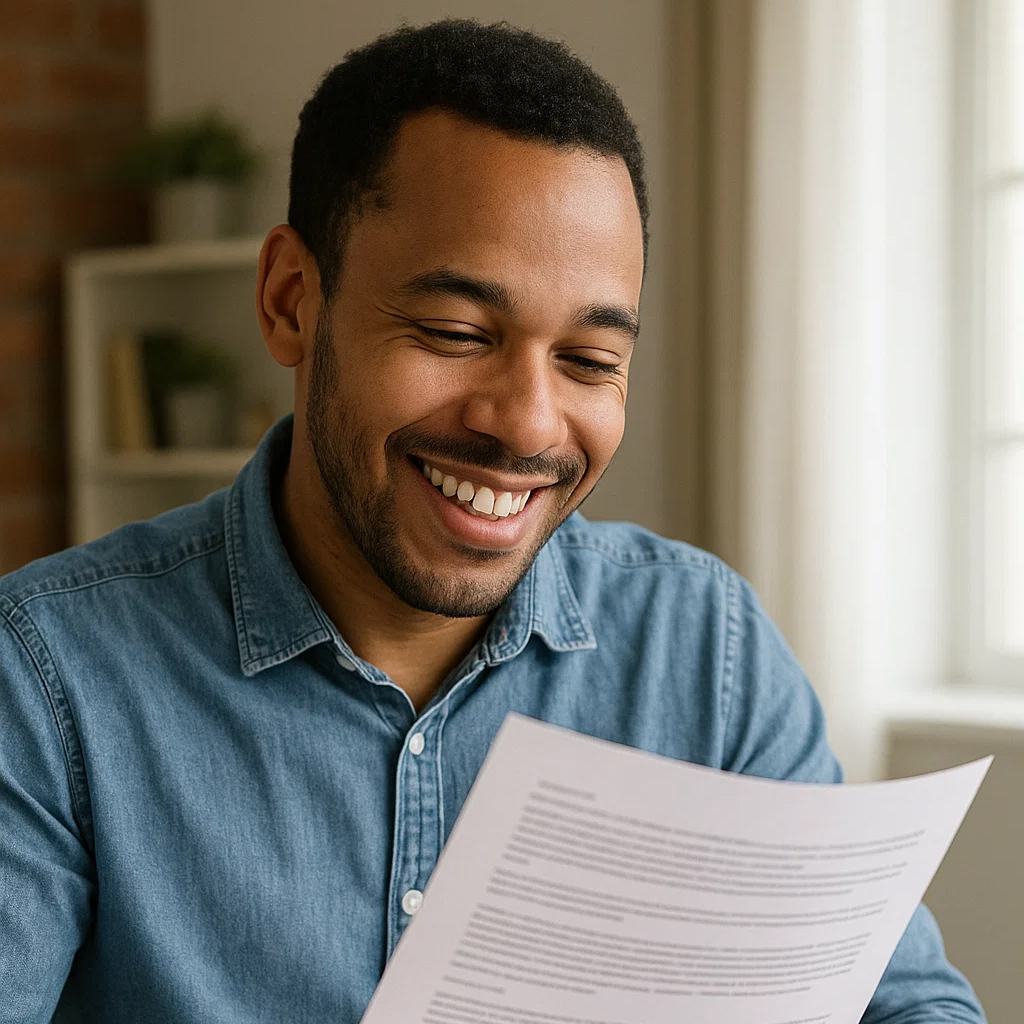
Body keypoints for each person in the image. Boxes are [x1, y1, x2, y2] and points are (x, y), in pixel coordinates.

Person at [0, 19, 984, 1024]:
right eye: (455, 333)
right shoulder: (44, 679)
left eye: (590, 361)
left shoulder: (706, 649)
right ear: (293, 299)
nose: (526, 422)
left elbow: (906, 1003)